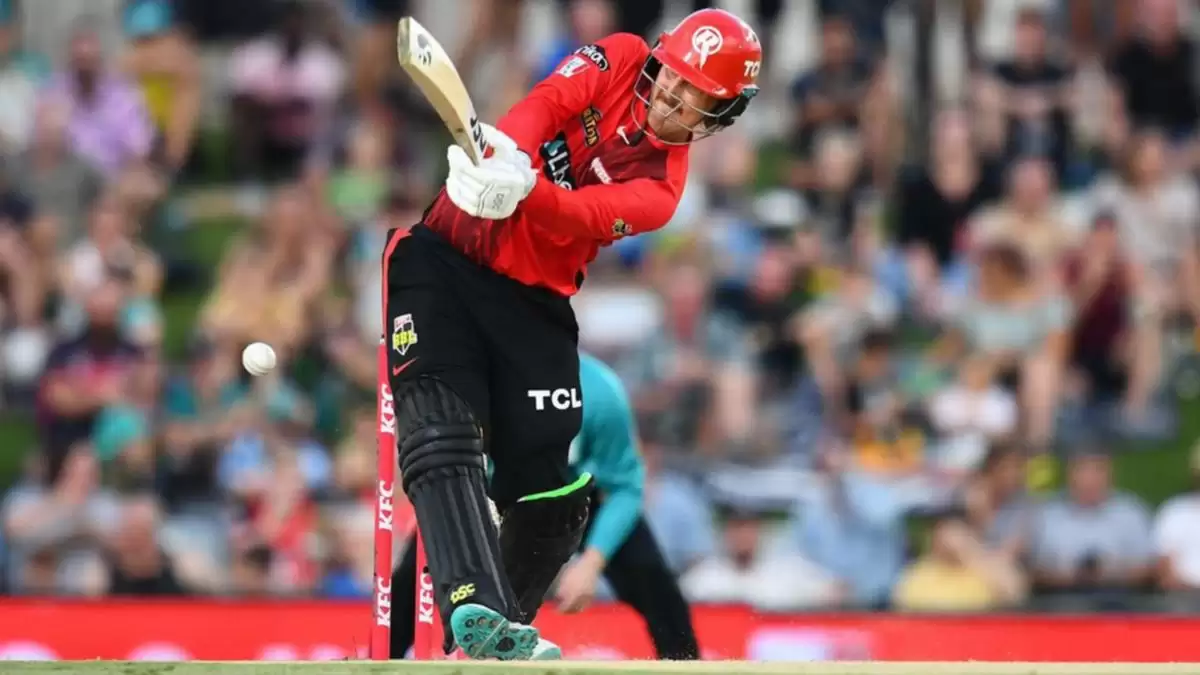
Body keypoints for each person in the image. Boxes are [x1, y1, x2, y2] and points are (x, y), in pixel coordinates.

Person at [381, 8, 760, 661]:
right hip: (444, 261)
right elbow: (550, 101)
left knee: (556, 499)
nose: (670, 95)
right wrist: (505, 150)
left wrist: (522, 189)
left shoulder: (661, 191)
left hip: (534, 302)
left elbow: (579, 214)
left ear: (719, 113)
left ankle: (497, 637)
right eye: (672, 75)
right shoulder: (622, 54)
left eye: (694, 93)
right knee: (442, 433)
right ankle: (472, 599)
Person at [389, 352, 701, 661]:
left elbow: (625, 487)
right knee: (410, 581)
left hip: (574, 492)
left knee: (657, 587)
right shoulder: (477, 383)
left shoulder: (600, 391)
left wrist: (591, 564)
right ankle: (384, 657)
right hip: (491, 493)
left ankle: (684, 662)